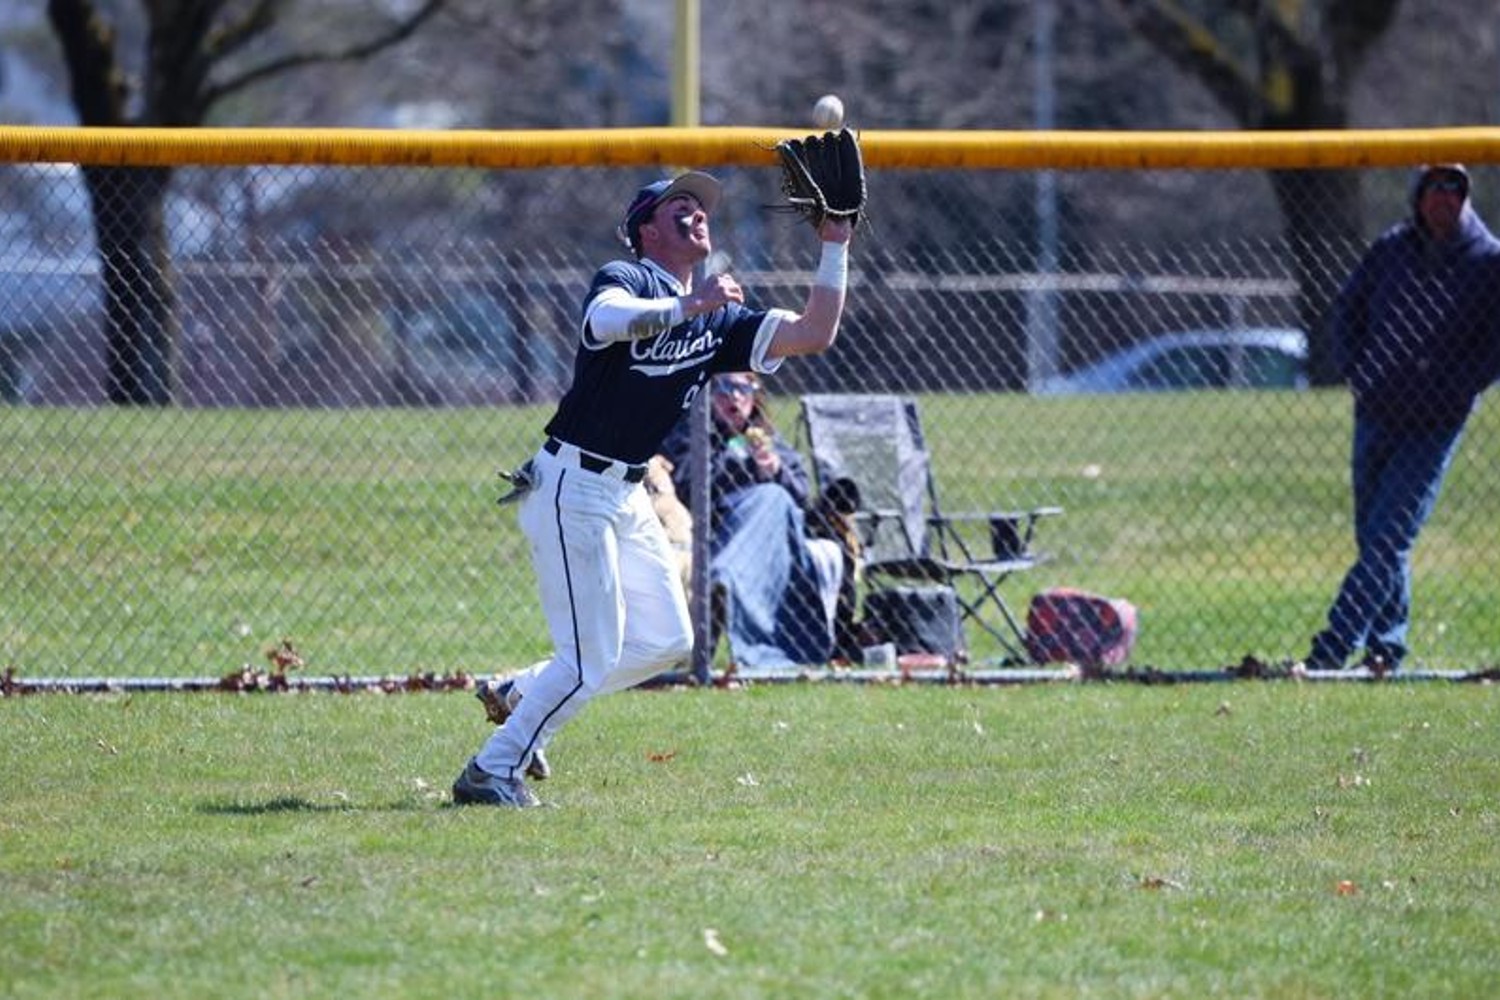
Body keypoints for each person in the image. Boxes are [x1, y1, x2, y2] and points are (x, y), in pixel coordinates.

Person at [455, 170, 855, 806]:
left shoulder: (718, 323)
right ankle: (491, 771)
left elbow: (814, 331)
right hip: (572, 484)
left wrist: (835, 243)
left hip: (626, 492)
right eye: (679, 206)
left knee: (667, 642)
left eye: (702, 207)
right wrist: (685, 306)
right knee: (587, 659)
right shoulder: (630, 278)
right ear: (646, 228)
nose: (697, 213)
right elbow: (604, 320)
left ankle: (520, 694)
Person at [1303, 163, 1500, 673]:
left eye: (1455, 189)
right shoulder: (1391, 249)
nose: (1444, 198)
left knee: (1391, 535)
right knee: (1376, 538)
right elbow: (1348, 311)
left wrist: (1458, 385)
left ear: (1466, 199)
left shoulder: (1488, 261)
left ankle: (1332, 647)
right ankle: (1386, 650)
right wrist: (1356, 372)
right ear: (1418, 197)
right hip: (1378, 409)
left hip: (1435, 423)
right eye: (1435, 188)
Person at [659, 372, 848, 670]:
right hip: (721, 529)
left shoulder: (767, 438)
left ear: (754, 395)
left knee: (774, 496)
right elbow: (687, 484)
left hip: (775, 537)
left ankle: (722, 581)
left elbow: (800, 496)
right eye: (722, 387)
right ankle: (722, 585)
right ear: (707, 395)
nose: (733, 396)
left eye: (742, 387)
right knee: (767, 497)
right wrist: (745, 465)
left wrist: (775, 469)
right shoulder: (692, 433)